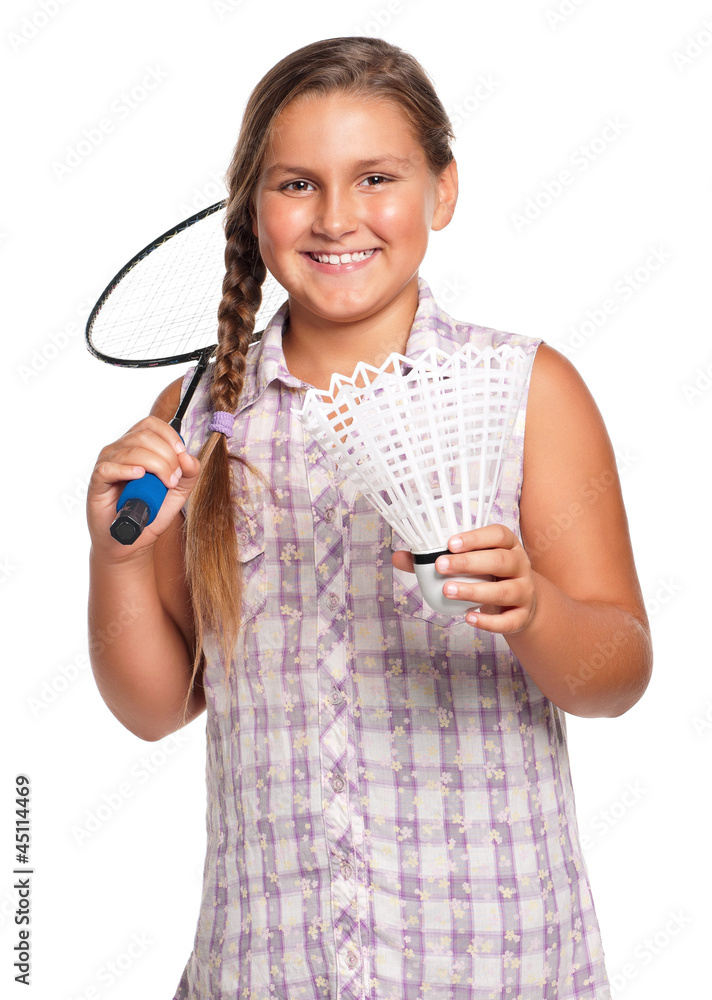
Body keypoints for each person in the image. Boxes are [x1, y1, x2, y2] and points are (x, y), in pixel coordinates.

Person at [86, 36, 652, 1000]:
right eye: (296, 184)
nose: (336, 216)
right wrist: (116, 558)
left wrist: (535, 611)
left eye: (376, 177)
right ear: (252, 208)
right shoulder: (196, 418)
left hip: (490, 963)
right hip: (266, 968)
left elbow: (618, 676)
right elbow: (156, 707)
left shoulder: (525, 391)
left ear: (443, 190)